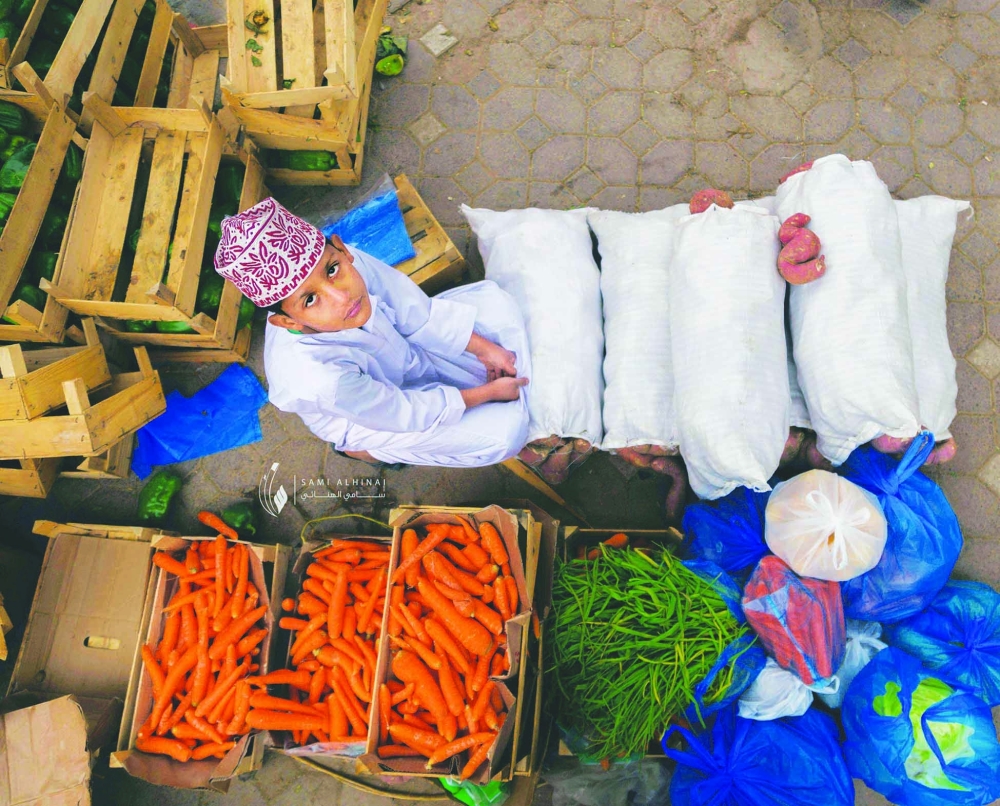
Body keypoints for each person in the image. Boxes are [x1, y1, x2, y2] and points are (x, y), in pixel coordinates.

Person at [214, 198, 531, 467]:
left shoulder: (344, 260)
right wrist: (487, 394)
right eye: (310, 300)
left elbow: (413, 311)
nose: (343, 298)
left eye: (333, 270)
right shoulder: (317, 378)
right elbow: (402, 411)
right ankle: (362, 451)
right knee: (506, 434)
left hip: (397, 354)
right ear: (289, 322)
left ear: (342, 249)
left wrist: (484, 348)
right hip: (363, 413)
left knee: (497, 304)